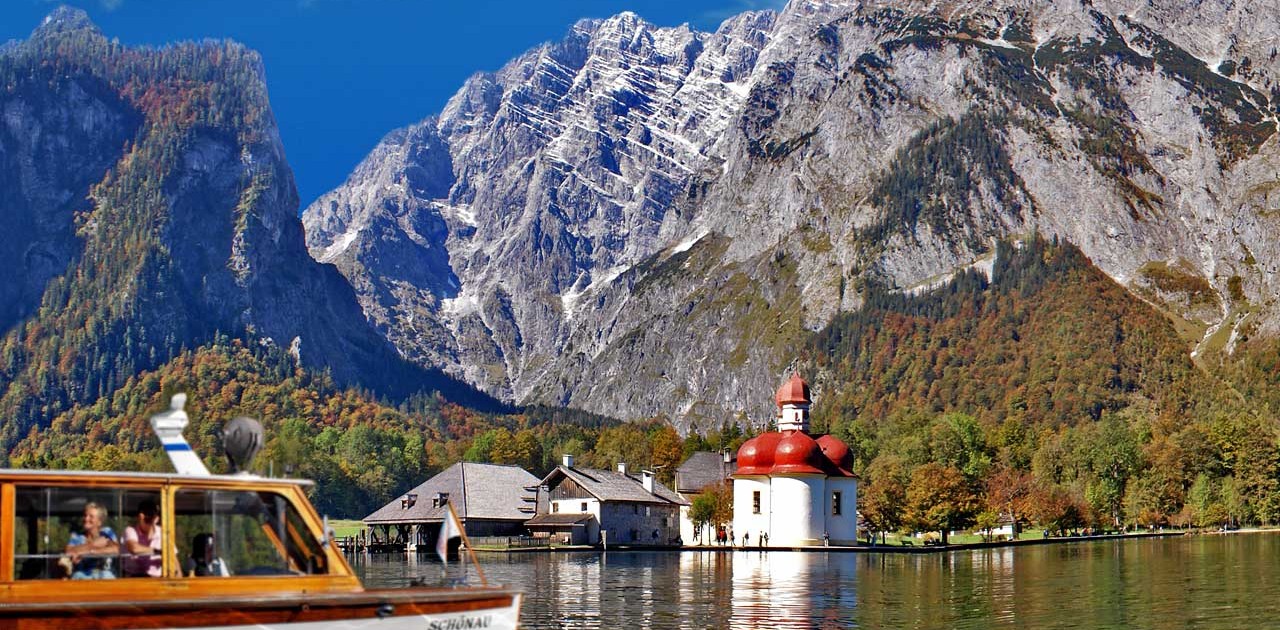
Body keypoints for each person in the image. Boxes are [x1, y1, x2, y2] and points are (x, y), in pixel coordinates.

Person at [65, 502, 119, 579]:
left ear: (99, 522)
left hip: (104, 575)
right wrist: (92, 544)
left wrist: (88, 552)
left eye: (91, 516)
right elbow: (68, 552)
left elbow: (117, 549)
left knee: (107, 575)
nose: (86, 519)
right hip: (82, 576)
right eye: (85, 515)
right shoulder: (77, 536)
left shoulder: (106, 532)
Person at [122, 499, 163, 578]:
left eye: (154, 519)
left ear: (157, 519)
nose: (152, 524)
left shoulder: (163, 534)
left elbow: (173, 561)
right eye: (148, 520)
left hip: (158, 580)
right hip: (134, 580)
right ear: (141, 517)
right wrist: (159, 551)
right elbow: (134, 548)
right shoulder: (130, 530)